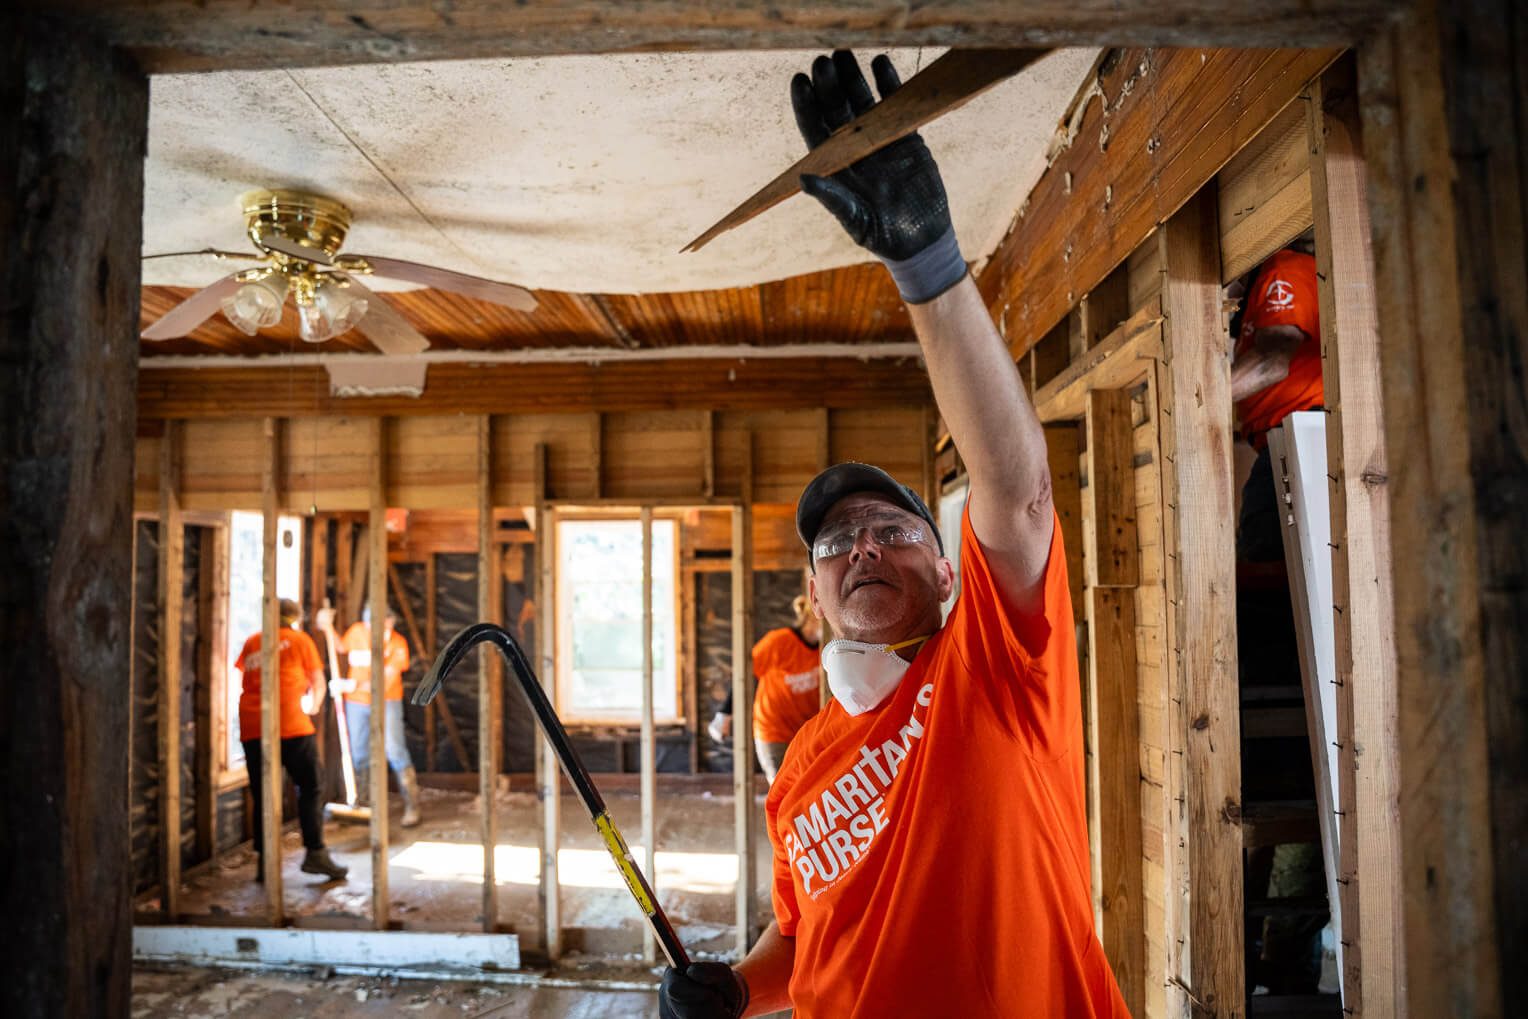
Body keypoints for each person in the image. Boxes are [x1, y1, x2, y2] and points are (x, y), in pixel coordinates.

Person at [659, 50, 1128, 1018]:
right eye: (834, 544)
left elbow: (1019, 490)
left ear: (949, 569)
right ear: (813, 590)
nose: (860, 546)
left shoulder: (995, 668)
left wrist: (928, 262)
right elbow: (801, 937)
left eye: (890, 528)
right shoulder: (799, 768)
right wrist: (732, 991)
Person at [234, 598, 348, 882]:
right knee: (310, 786)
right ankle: (315, 854)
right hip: (290, 725)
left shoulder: (252, 641)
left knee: (263, 794)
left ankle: (265, 863)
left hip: (253, 726)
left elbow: (242, 677)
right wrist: (313, 705)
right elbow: (317, 682)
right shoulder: (299, 640)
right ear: (293, 618)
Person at [1230, 247, 1324, 561]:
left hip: (1302, 434)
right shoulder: (1262, 289)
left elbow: (1272, 362)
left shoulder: (1281, 269)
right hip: (1291, 439)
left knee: (1261, 568)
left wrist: (1193, 400)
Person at [324, 605, 421, 827]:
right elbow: (340, 647)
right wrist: (328, 627)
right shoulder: (357, 631)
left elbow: (383, 682)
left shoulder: (397, 644)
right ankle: (363, 807)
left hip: (386, 701)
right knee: (358, 753)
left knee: (395, 749)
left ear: (390, 622)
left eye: (386, 625)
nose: (381, 629)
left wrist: (350, 684)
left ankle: (412, 806)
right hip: (356, 703)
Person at [750, 595, 822, 783]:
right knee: (781, 789)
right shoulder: (779, 641)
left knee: (806, 788)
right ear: (814, 617)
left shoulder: (827, 648)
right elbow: (745, 672)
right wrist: (725, 713)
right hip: (774, 730)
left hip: (805, 731)